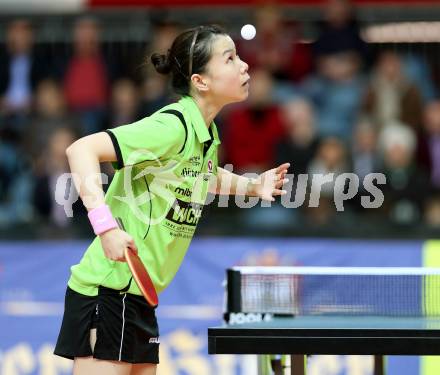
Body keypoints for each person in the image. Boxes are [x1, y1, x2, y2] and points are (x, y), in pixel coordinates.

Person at [54, 25, 289, 375]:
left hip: (138, 297)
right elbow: (81, 149)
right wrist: (106, 228)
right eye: (230, 58)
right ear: (201, 81)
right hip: (110, 288)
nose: (244, 66)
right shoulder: (172, 127)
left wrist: (251, 187)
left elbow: (203, 177)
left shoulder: (205, 134)